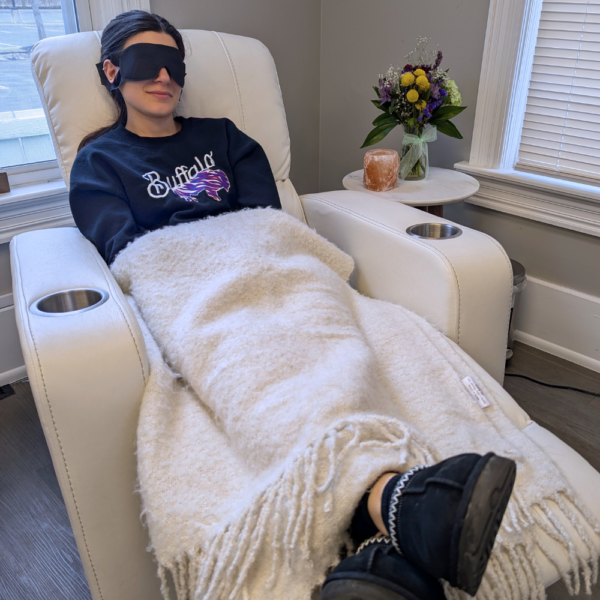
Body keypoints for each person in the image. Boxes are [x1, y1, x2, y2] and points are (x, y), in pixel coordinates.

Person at [68, 10, 517, 600]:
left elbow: (266, 225)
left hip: (272, 270)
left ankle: (375, 554)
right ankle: (397, 504)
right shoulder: (99, 164)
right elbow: (132, 254)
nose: (163, 77)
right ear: (110, 70)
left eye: (173, 64)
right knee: (258, 364)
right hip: (193, 290)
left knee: (331, 348)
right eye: (144, 63)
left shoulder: (224, 138)